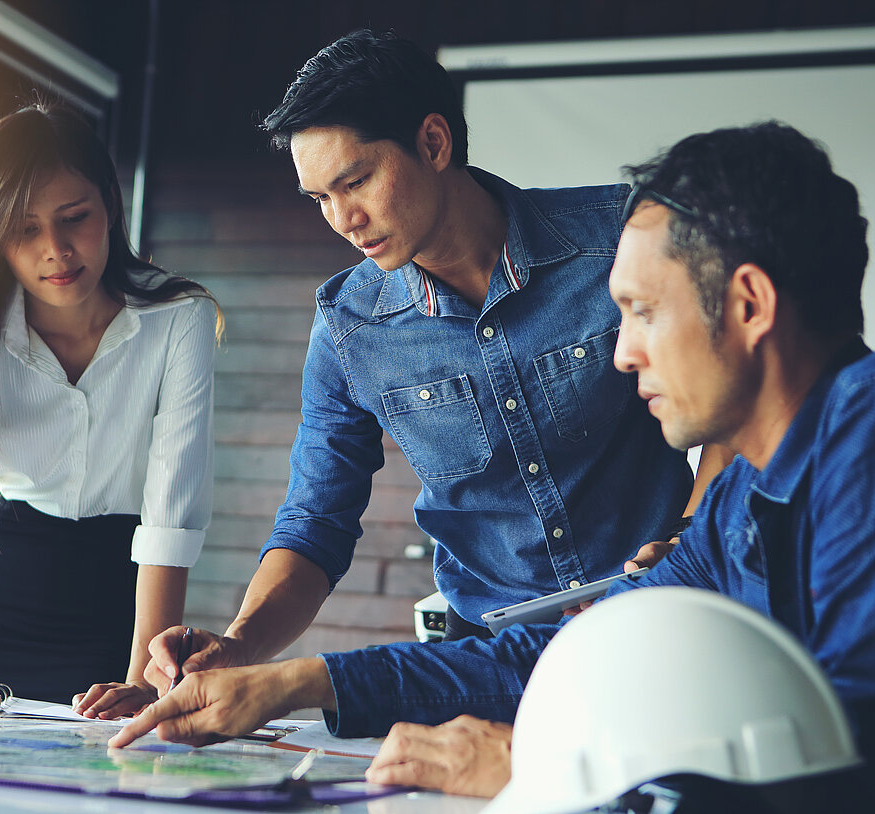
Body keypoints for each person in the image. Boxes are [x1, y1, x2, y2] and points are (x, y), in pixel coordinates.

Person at [109, 122, 875, 811]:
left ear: (747, 304)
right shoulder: (733, 504)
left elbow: (869, 765)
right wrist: (296, 683)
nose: (624, 349)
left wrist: (548, 774)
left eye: (641, 311)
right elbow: (566, 656)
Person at [107, 29, 724, 720]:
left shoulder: (617, 240)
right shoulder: (349, 324)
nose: (343, 220)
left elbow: (731, 397)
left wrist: (698, 536)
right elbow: (315, 521)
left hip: (663, 623)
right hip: (485, 663)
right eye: (320, 198)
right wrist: (241, 644)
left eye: (356, 181)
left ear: (434, 143)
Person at [0, 102, 220, 712]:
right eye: (25, 229)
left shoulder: (179, 319)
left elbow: (171, 516)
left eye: (74, 218)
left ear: (110, 205)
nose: (55, 249)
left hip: (119, 618)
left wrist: (143, 677)